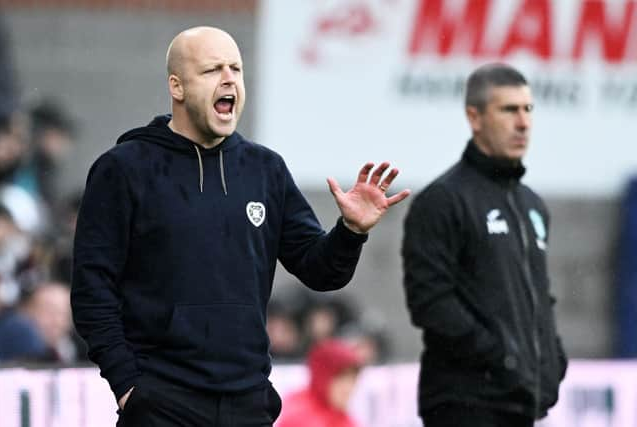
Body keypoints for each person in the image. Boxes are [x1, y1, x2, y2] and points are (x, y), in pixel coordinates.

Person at [71, 26, 409, 427]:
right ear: (177, 87)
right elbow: (92, 289)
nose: (229, 78)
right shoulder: (124, 169)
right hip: (161, 401)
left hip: (248, 400)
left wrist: (350, 232)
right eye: (213, 69)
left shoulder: (265, 169)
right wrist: (128, 386)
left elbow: (320, 272)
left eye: (236, 68)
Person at [401, 63, 567, 427]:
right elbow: (430, 303)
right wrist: (502, 358)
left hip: (520, 403)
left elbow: (539, 297)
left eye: (528, 109)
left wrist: (552, 361)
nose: (523, 122)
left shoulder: (532, 206)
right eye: (509, 109)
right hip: (464, 405)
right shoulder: (443, 200)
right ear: (474, 117)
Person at [276, 339, 363, 427]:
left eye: (353, 380)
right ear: (322, 377)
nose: (348, 388)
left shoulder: (343, 418)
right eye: (341, 379)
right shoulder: (298, 414)